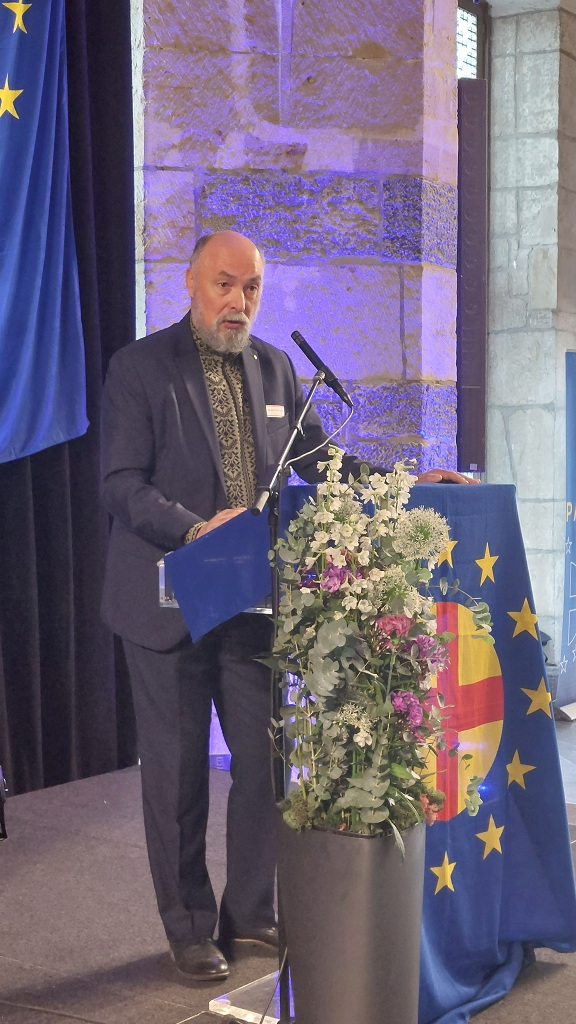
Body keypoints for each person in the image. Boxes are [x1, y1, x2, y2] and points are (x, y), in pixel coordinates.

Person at [100, 230, 472, 981]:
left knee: (267, 768)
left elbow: (325, 462)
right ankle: (188, 928)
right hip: (170, 598)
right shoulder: (140, 368)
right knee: (176, 774)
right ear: (191, 283)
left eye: (251, 288)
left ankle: (248, 914)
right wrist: (194, 528)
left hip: (249, 601)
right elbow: (120, 483)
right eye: (224, 285)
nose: (239, 302)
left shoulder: (274, 367)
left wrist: (404, 482)